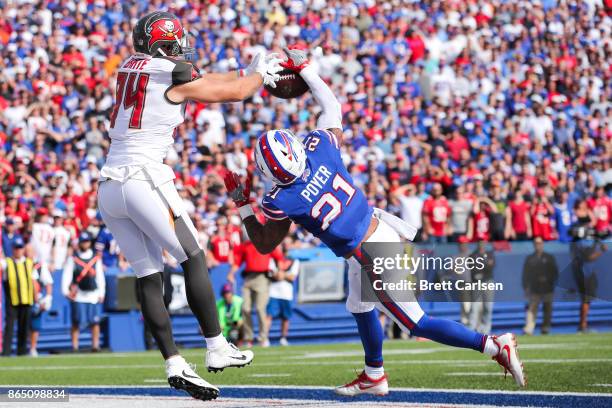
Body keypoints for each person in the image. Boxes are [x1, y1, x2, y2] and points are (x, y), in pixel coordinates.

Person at [223, 47, 525, 396]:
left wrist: (243, 203)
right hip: (376, 232)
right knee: (359, 305)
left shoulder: (281, 198)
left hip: (372, 252)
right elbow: (332, 106)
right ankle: (374, 374)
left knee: (416, 322)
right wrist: (305, 69)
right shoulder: (320, 147)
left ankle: (492, 344)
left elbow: (263, 243)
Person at [95, 12, 274, 400]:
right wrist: (259, 76)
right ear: (163, 45)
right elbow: (235, 93)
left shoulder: (132, 64)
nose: (182, 48)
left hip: (109, 185)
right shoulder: (168, 70)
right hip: (143, 178)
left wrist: (249, 69)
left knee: (148, 275)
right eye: (175, 42)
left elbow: (208, 80)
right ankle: (216, 346)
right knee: (193, 256)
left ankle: (175, 363)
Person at [228, 231, 284, 348]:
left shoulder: (266, 244)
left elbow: (279, 258)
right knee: (245, 308)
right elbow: (237, 262)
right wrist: (231, 274)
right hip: (248, 278)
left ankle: (263, 337)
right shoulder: (245, 246)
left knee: (260, 308)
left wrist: (280, 271)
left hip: (262, 278)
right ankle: (249, 338)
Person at [61, 232, 105, 352]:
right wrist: (65, 291)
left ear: (90, 243)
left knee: (95, 322)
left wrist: (102, 293)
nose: (85, 244)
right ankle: (75, 346)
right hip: (79, 294)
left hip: (93, 294)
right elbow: (67, 275)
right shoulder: (73, 259)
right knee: (76, 321)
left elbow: (100, 277)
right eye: (83, 242)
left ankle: (95, 345)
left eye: (87, 242)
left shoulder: (96, 258)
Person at [1, 237, 39, 356]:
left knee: (24, 327)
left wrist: (36, 297)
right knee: (9, 327)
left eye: (20, 248)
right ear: (12, 249)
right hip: (12, 300)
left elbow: (34, 281)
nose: (18, 251)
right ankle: (6, 352)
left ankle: (21, 352)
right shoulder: (7, 262)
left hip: (26, 299)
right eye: (16, 248)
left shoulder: (29, 263)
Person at [522, 237, 558, 335]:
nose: (538, 245)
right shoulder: (530, 258)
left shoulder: (549, 257)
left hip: (547, 288)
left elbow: (555, 272)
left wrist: (548, 280)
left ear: (542, 244)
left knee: (547, 309)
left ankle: (545, 327)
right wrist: (526, 287)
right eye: (536, 243)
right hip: (535, 288)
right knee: (532, 309)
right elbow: (525, 274)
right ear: (534, 245)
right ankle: (529, 329)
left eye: (540, 243)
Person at [266, 244, 300, 346]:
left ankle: (283, 338)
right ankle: (265, 337)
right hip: (273, 291)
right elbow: (272, 274)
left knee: (286, 317)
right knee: (269, 315)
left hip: (286, 293)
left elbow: (292, 277)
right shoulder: (273, 259)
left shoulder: (294, 261)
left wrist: (282, 274)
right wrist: (283, 275)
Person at [468, 240, 496, 334]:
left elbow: (491, 266)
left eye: (483, 242)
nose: (481, 244)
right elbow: (472, 268)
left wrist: (481, 268)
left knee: (488, 306)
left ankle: (486, 329)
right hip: (476, 283)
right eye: (479, 242)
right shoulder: (473, 255)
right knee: (475, 306)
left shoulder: (490, 254)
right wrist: (485, 265)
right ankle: (472, 328)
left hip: (488, 282)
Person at [29, 258, 53, 357]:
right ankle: (22, 348)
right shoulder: (18, 263)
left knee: (35, 325)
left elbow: (48, 283)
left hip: (36, 300)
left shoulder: (39, 266)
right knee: (23, 324)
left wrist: (47, 298)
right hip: (20, 298)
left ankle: (32, 348)